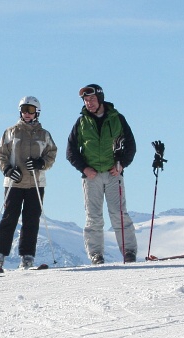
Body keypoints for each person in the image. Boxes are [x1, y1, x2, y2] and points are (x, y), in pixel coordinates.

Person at [65, 83, 138, 264]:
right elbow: (71, 151)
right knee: (94, 217)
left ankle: (129, 252)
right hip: (92, 177)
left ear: (100, 98)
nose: (88, 103)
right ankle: (96, 255)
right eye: (85, 100)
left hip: (114, 174)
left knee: (119, 214)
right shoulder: (81, 123)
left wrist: (121, 165)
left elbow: (131, 145)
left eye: (92, 99)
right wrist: (84, 168)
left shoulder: (117, 119)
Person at [0, 96, 57, 272]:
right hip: (15, 183)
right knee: (9, 218)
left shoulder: (44, 134)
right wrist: (8, 170)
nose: (27, 113)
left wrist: (41, 163)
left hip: (36, 182)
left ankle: (27, 256)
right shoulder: (11, 132)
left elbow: (51, 154)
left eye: (31, 110)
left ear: (37, 113)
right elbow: (1, 154)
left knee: (31, 219)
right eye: (24, 110)